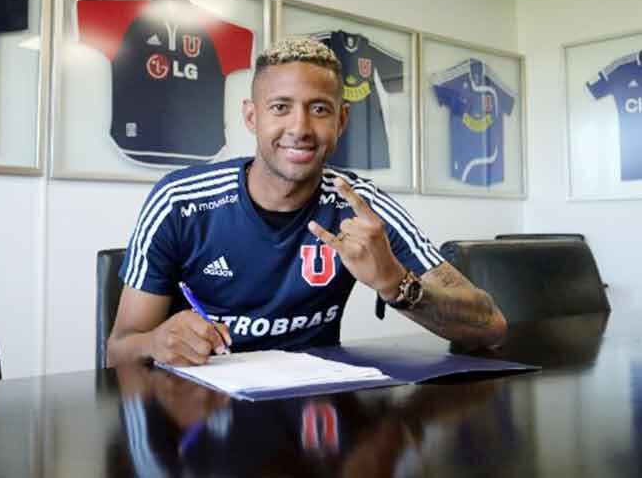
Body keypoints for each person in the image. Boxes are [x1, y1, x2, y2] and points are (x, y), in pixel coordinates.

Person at [107, 37, 506, 367]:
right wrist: (156, 342)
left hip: (317, 412)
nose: (299, 128)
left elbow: (490, 326)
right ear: (252, 117)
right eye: (280, 107)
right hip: (200, 413)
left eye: (319, 109)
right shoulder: (178, 201)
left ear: (341, 120)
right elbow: (119, 349)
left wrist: (395, 283)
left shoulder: (361, 205)